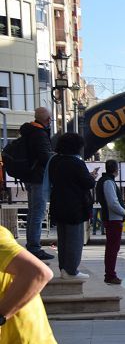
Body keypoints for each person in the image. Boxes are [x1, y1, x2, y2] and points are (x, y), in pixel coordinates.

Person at [47, 133, 94, 279]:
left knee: (63, 240)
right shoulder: (76, 163)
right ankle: (71, 270)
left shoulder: (54, 161)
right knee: (74, 240)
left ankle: (63, 269)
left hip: (58, 204)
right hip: (74, 207)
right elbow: (88, 183)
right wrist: (92, 176)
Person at [19, 108, 54, 261]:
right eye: (50, 119)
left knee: (33, 212)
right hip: (38, 178)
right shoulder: (39, 134)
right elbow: (44, 156)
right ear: (46, 120)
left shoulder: (29, 131)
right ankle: (34, 247)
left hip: (28, 177)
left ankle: (32, 245)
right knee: (38, 214)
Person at [95, 159, 125, 285]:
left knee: (112, 247)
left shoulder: (105, 180)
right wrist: (124, 212)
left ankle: (110, 273)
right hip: (113, 218)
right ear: (115, 169)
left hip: (111, 218)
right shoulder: (108, 182)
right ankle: (110, 275)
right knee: (113, 248)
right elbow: (112, 202)